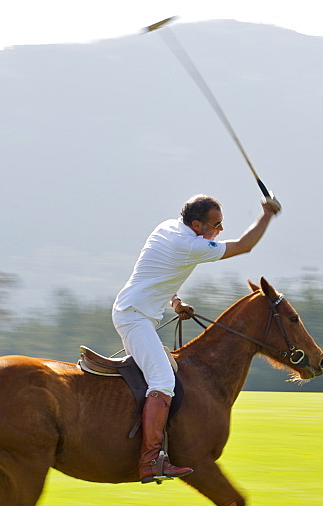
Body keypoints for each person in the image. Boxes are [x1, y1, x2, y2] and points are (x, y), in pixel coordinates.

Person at [113, 193, 282, 483]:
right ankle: (150, 460)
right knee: (163, 381)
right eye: (216, 224)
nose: (220, 230)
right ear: (196, 224)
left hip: (135, 311)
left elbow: (159, 271)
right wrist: (267, 214)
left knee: (163, 377)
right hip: (135, 316)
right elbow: (244, 246)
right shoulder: (190, 244)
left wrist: (175, 301)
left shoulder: (167, 227)